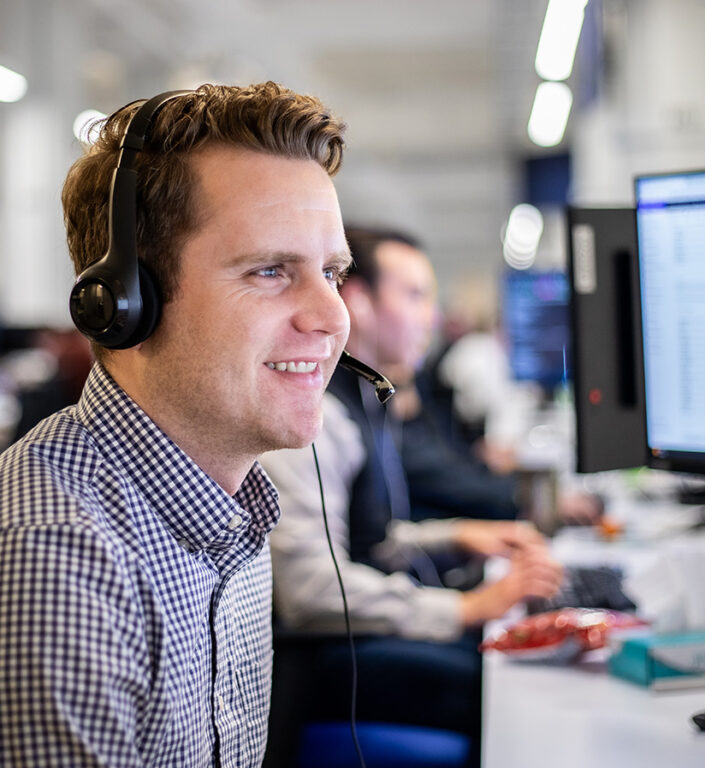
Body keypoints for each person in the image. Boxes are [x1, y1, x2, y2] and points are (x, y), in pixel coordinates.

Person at [0, 82, 351, 768]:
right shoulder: (59, 551)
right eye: (271, 271)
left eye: (333, 273)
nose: (332, 318)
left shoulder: (233, 510)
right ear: (126, 302)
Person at [260, 227, 563, 766]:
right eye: (415, 295)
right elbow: (310, 589)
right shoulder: (312, 420)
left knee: (507, 661)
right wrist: (465, 607)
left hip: (360, 630)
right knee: (502, 689)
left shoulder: (365, 404)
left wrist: (460, 537)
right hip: (322, 660)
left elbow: (368, 540)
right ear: (360, 304)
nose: (431, 316)